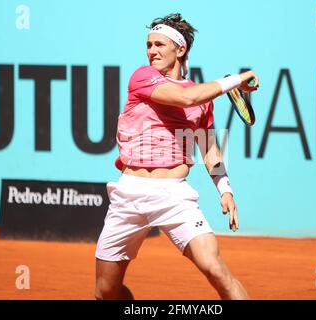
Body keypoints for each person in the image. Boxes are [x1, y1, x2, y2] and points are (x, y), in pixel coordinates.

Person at [95, 13, 259, 300]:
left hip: (174, 196)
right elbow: (186, 98)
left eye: (160, 45)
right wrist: (235, 81)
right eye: (149, 45)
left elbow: (209, 149)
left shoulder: (201, 97)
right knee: (105, 291)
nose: (152, 51)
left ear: (180, 50)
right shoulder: (142, 77)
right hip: (129, 193)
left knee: (215, 268)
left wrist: (225, 190)